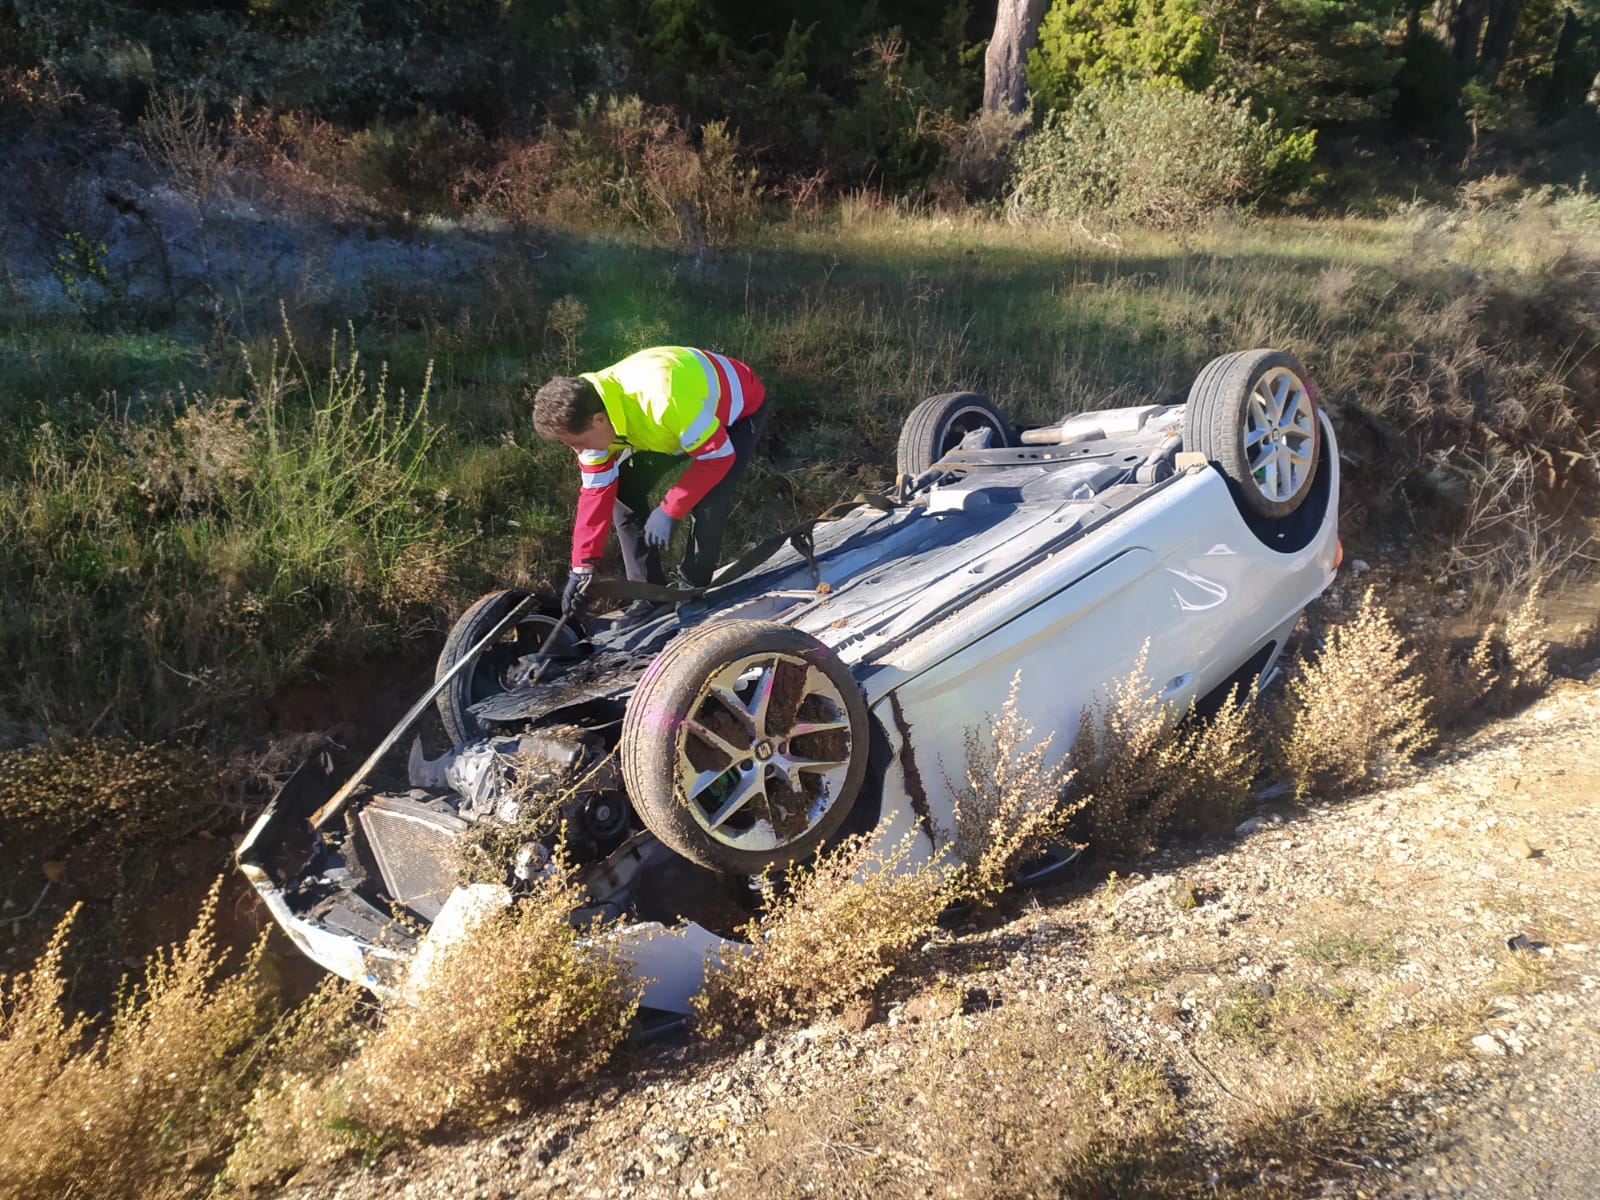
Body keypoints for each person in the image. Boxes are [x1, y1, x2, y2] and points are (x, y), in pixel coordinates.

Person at [532, 346, 769, 623]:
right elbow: (596, 493)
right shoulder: (591, 410)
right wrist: (581, 567)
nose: (578, 450)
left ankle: (690, 588)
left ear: (598, 420)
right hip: (671, 428)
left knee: (709, 500)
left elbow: (717, 456)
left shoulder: (662, 400)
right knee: (624, 492)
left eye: (579, 442)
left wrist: (670, 508)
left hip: (735, 414)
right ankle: (650, 595)